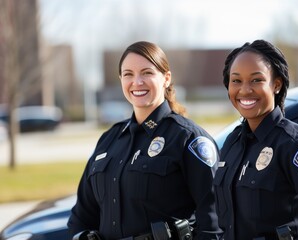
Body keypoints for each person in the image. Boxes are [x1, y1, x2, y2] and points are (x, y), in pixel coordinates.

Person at [67, 41, 222, 240]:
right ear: (121, 79)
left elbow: (213, 220)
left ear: (166, 78)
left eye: (147, 73)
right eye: (128, 74)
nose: (137, 82)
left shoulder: (188, 138)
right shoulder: (109, 140)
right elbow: (81, 215)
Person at [213, 40, 298, 240]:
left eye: (256, 80)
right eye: (236, 80)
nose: (245, 90)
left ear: (276, 85)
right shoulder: (232, 143)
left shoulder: (295, 145)